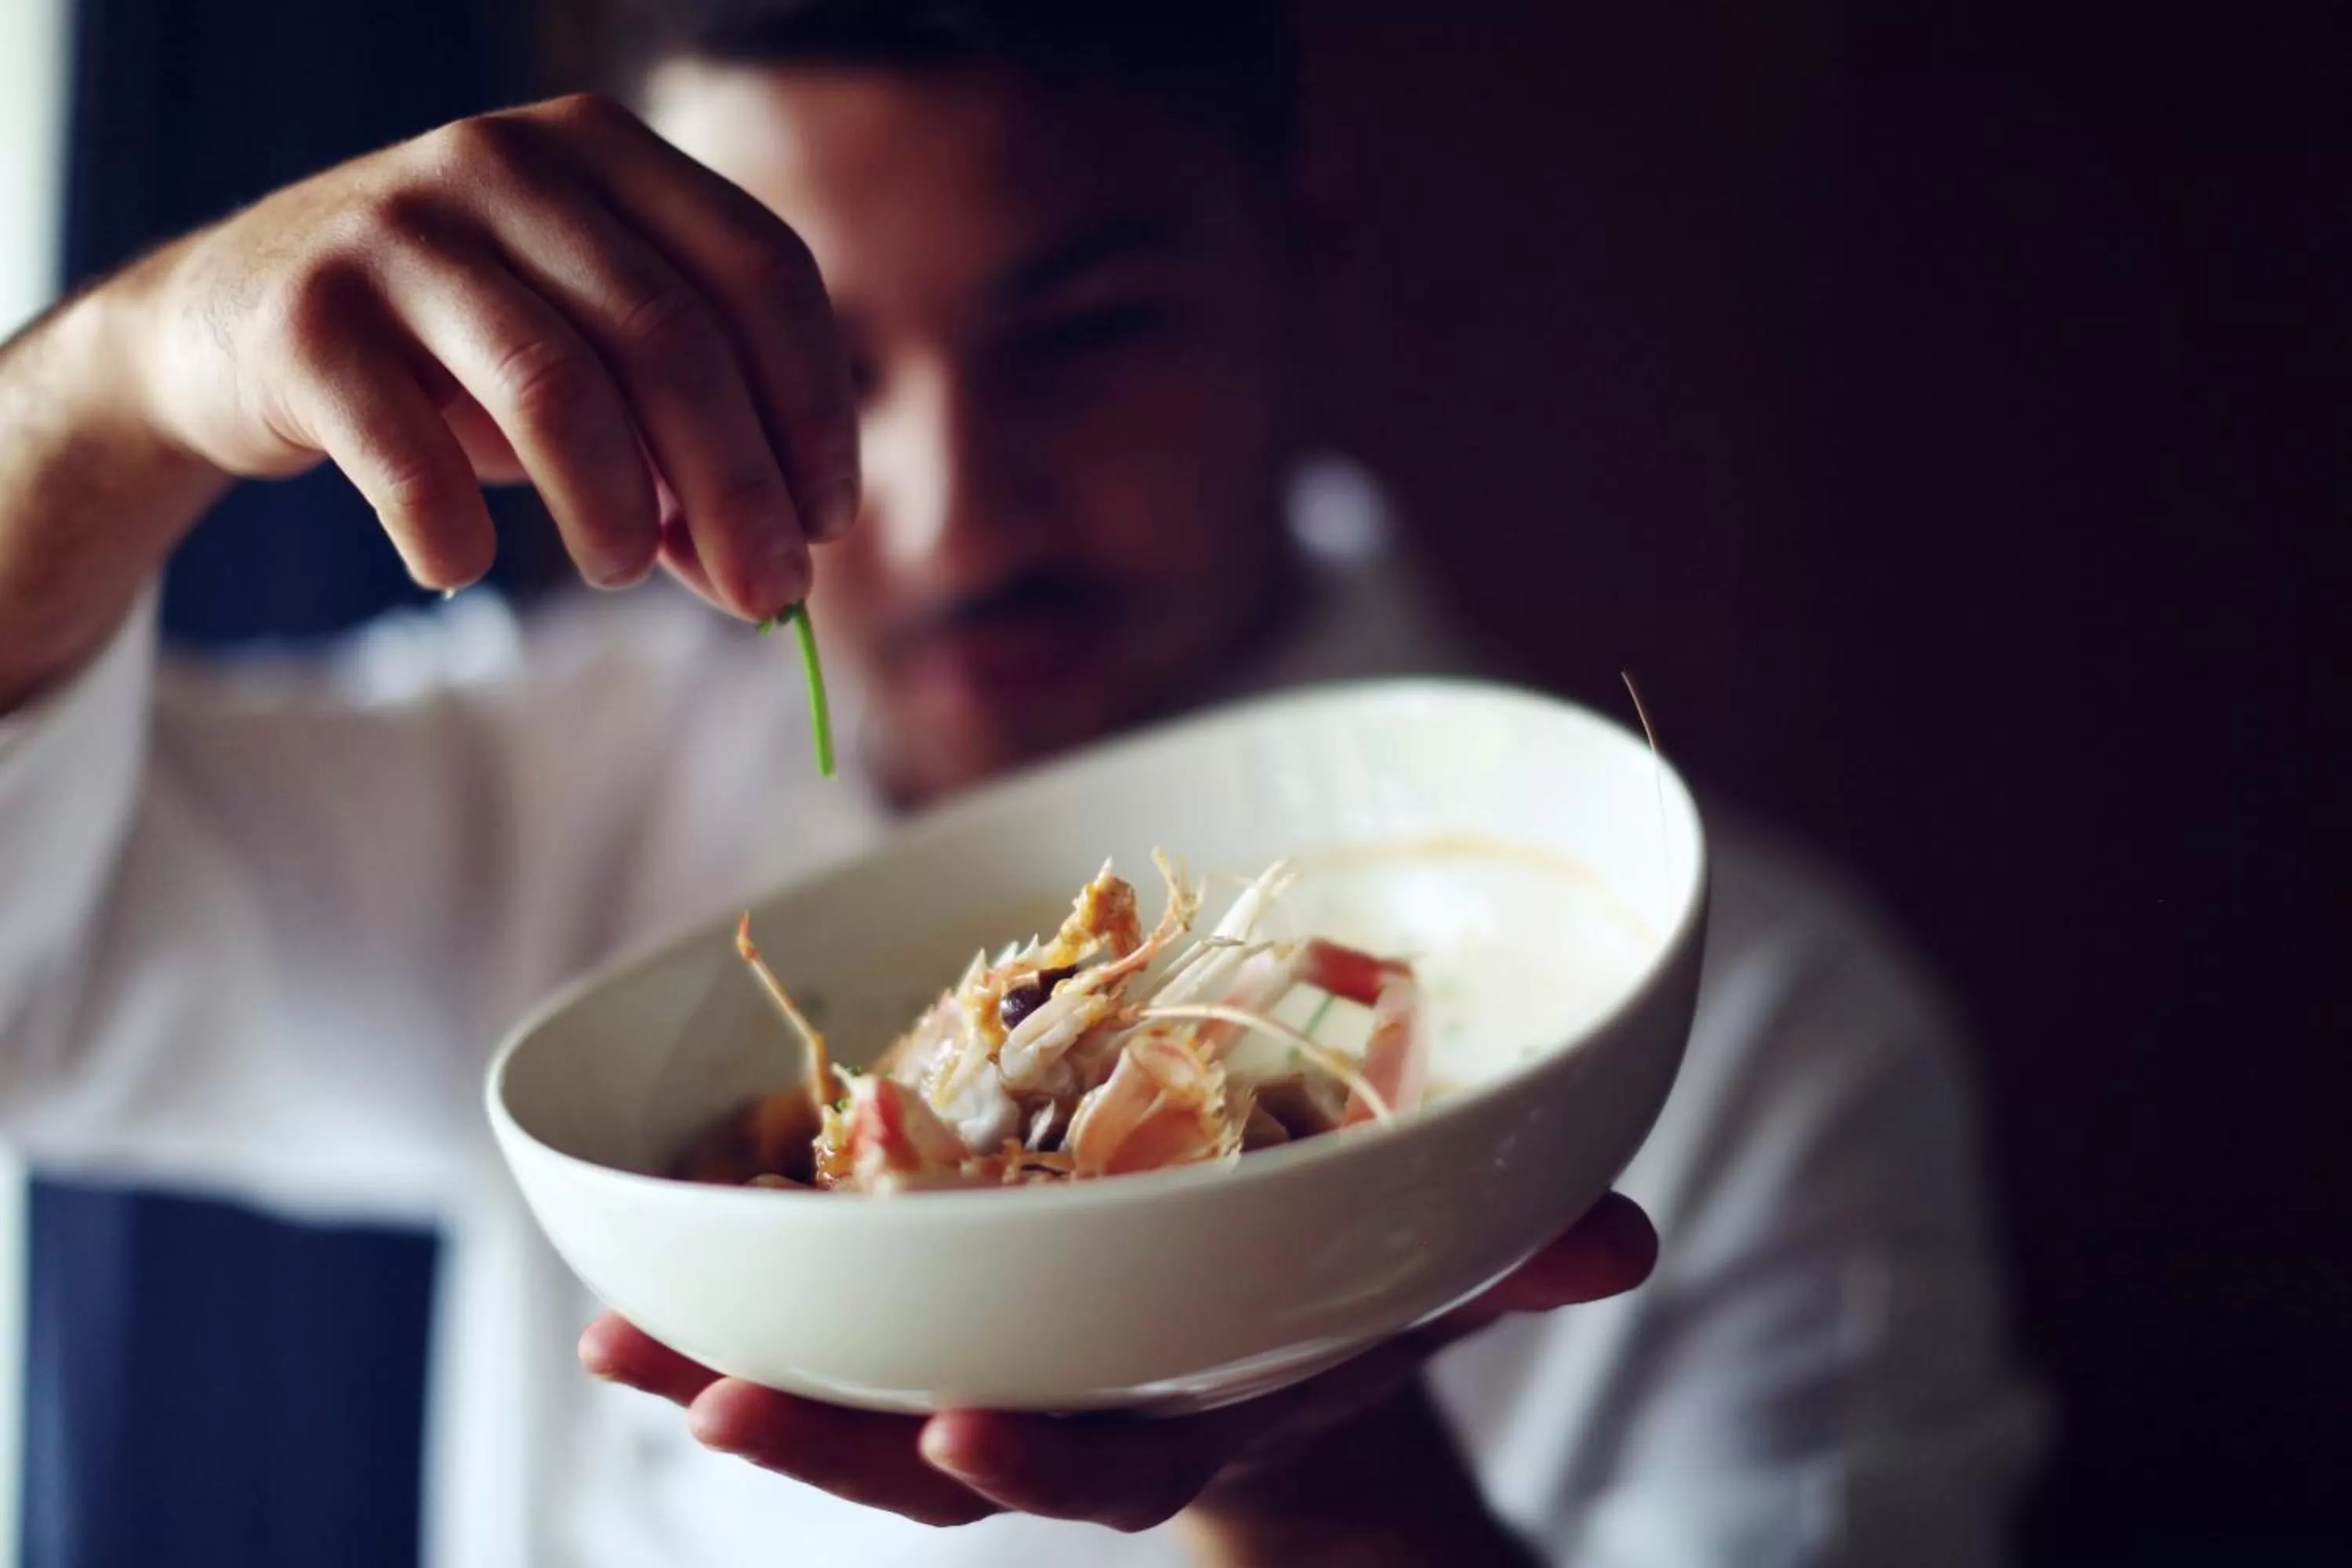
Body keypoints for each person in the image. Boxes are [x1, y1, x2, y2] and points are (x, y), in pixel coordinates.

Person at [0, 2, 2042, 1563]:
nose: (963, 509)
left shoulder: (1757, 1025)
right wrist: (114, 392)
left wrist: (1334, 1486)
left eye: (1085, 336)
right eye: (824, 377)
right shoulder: (537, 788)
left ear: (1302, 274)